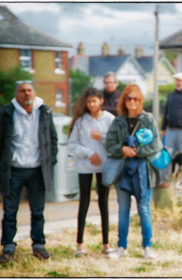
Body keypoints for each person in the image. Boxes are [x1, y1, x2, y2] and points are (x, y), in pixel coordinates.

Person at [0, 81, 58, 263]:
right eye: (22, 91)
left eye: (29, 90)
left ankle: (38, 245)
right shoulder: (6, 112)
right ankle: (8, 247)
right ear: (17, 95)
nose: (27, 94)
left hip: (37, 170)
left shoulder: (44, 111)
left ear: (34, 93)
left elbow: (52, 139)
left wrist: (50, 161)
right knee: (10, 211)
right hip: (14, 170)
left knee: (38, 211)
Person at [105, 84, 162, 259]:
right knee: (123, 210)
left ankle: (147, 247)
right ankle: (121, 247)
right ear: (124, 100)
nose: (132, 102)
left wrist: (137, 152)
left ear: (140, 100)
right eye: (129, 98)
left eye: (136, 99)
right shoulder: (118, 121)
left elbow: (156, 145)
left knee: (143, 209)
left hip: (143, 170)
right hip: (122, 171)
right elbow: (109, 144)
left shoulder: (148, 119)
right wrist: (122, 150)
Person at [67, 87, 115, 257]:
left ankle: (106, 243)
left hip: (105, 166)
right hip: (85, 166)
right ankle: (79, 244)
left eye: (94, 101)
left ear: (101, 101)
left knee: (104, 203)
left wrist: (101, 137)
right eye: (88, 102)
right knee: (84, 202)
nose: (92, 105)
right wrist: (89, 153)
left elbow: (115, 141)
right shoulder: (81, 121)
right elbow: (72, 145)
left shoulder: (109, 119)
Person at [159, 72, 182, 190]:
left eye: (180, 80)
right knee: (166, 156)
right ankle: (163, 181)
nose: (178, 83)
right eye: (176, 80)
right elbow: (166, 113)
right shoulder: (171, 96)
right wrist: (163, 128)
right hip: (170, 131)